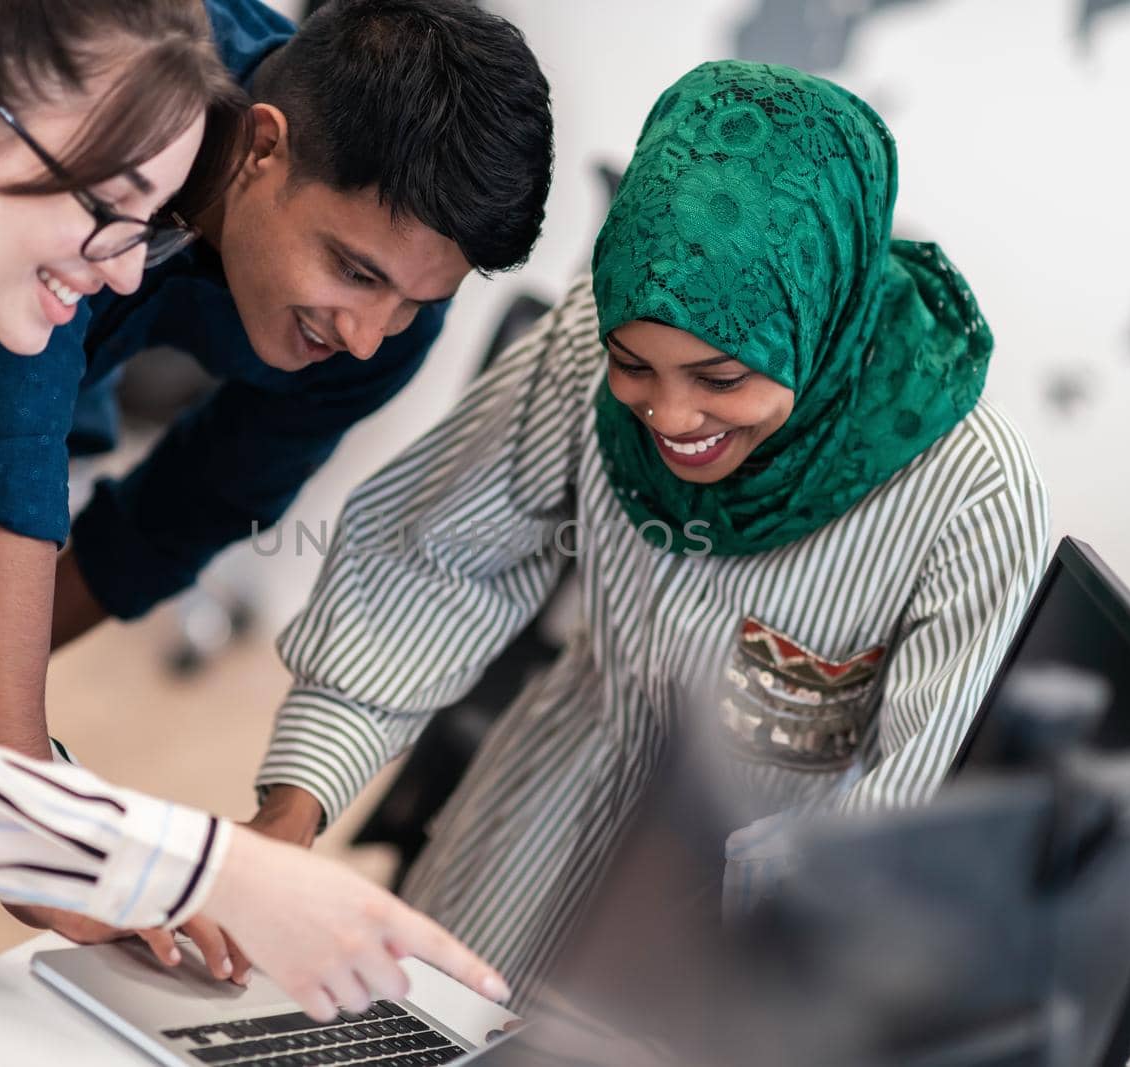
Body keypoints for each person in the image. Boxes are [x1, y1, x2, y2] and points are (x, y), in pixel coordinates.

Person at [0, 3, 506, 1062]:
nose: (128, 275)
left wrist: (112, 851)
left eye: (153, 221)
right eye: (110, 209)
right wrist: (206, 865)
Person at [249, 61, 1052, 1002]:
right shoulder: (591, 339)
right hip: (542, 818)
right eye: (636, 368)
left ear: (821, 318)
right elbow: (432, 565)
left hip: (758, 928)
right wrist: (287, 818)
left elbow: (908, 804)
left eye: (719, 379)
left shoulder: (969, 493)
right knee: (414, 1032)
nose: (670, 418)